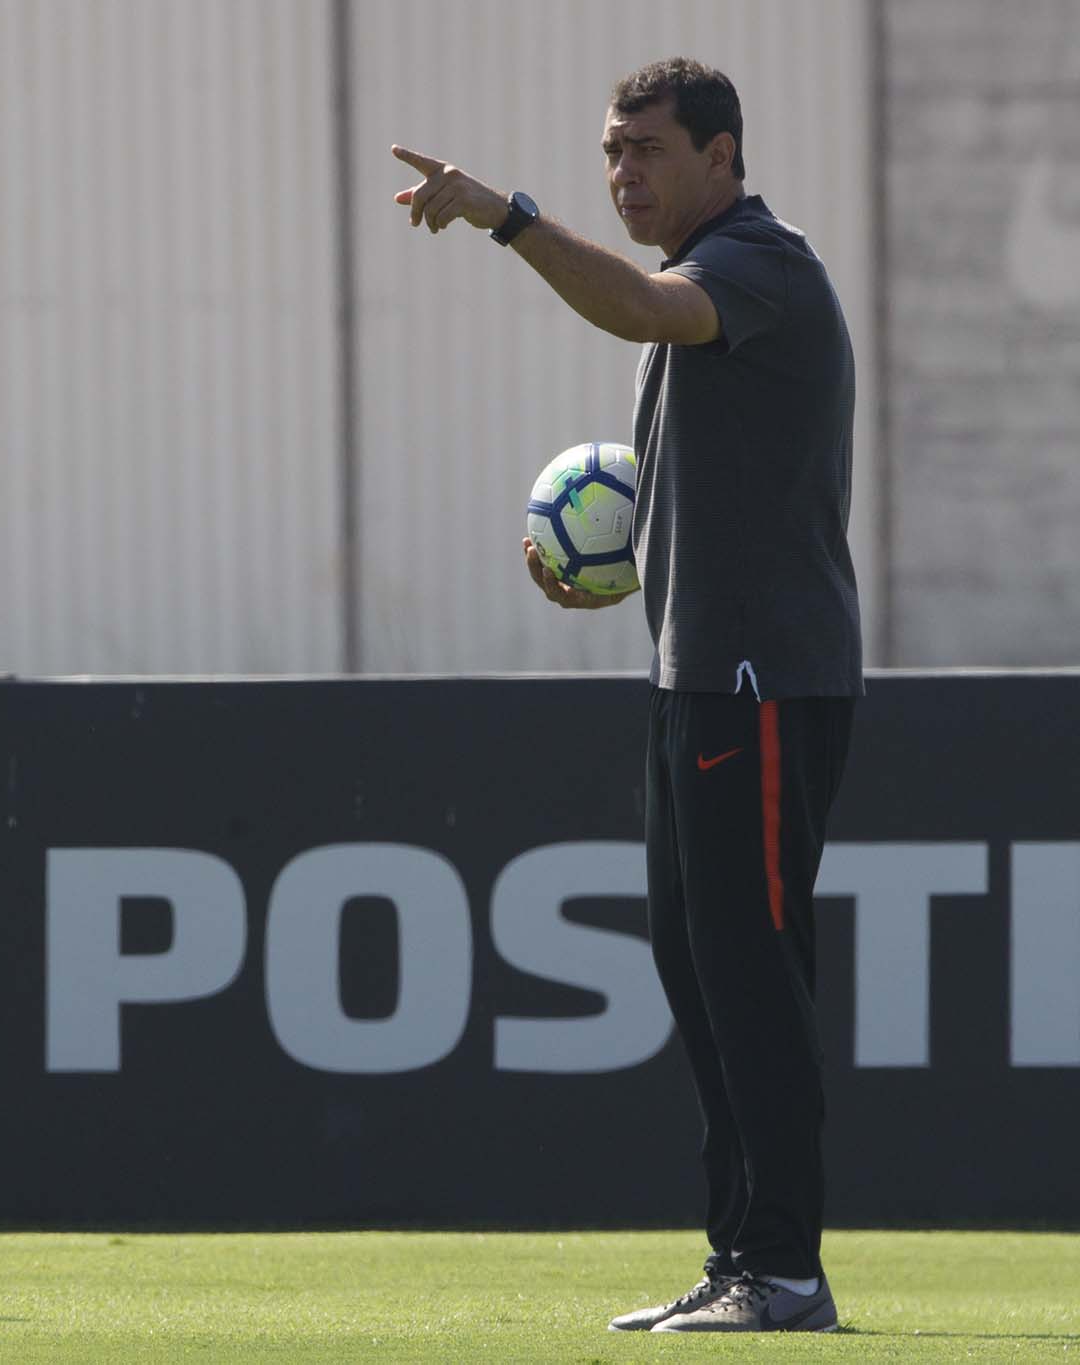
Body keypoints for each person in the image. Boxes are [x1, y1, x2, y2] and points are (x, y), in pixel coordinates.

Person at [390, 58, 860, 1333]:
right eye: (611, 150)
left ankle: (784, 1272)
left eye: (646, 150)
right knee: (699, 970)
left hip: (762, 685)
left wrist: (509, 216)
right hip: (696, 681)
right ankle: (737, 1263)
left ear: (720, 155)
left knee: (750, 974)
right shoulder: (711, 280)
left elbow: (646, 312)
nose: (622, 172)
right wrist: (618, 561)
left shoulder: (760, 263)